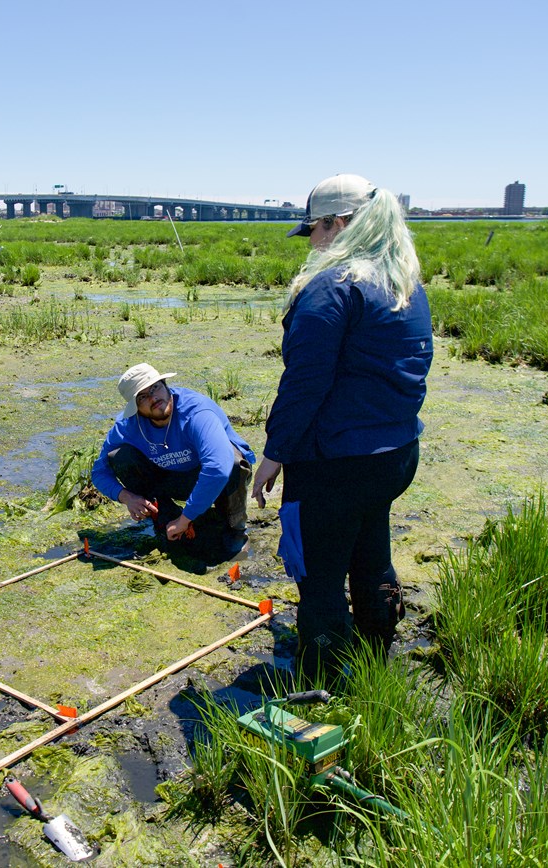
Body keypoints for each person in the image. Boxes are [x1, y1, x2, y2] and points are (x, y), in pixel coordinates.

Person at [251, 174, 433, 682]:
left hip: (335, 466)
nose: (309, 240)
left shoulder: (330, 288)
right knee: (371, 555)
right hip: (395, 454)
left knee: (320, 578)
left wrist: (275, 453)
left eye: (312, 228)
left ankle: (324, 685)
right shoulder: (404, 283)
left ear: (338, 224)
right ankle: (377, 661)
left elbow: (304, 384)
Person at [91, 363, 256, 565]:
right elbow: (99, 472)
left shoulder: (196, 411)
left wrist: (186, 518)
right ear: (135, 408)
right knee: (119, 456)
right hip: (170, 479)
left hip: (215, 479)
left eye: (155, 387)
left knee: (232, 461)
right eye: (143, 397)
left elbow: (217, 469)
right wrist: (126, 497)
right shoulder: (126, 427)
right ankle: (165, 522)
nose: (154, 398)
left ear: (165, 384)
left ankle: (234, 533)